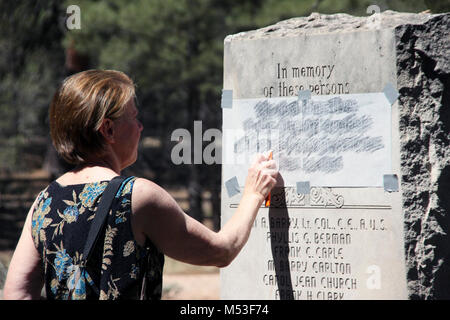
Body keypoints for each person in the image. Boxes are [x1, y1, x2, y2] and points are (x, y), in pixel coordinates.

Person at [3, 70, 278, 300]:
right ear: (108, 129)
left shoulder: (45, 201)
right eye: (133, 117)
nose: (140, 127)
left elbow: (17, 294)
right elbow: (221, 250)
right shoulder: (136, 196)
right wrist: (253, 193)